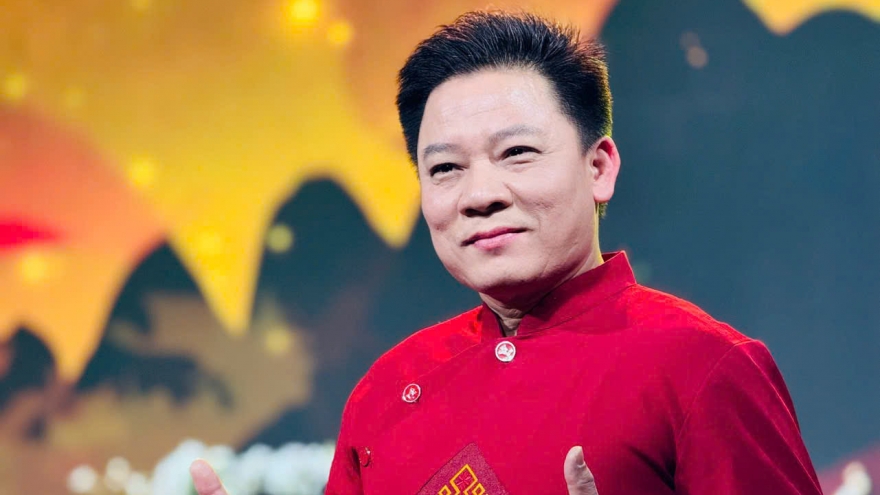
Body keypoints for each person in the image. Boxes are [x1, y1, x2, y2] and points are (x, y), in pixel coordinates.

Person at [189, 10, 822, 495]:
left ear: (599, 167)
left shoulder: (703, 366)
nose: (480, 195)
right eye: (445, 168)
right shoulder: (386, 391)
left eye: (517, 153)